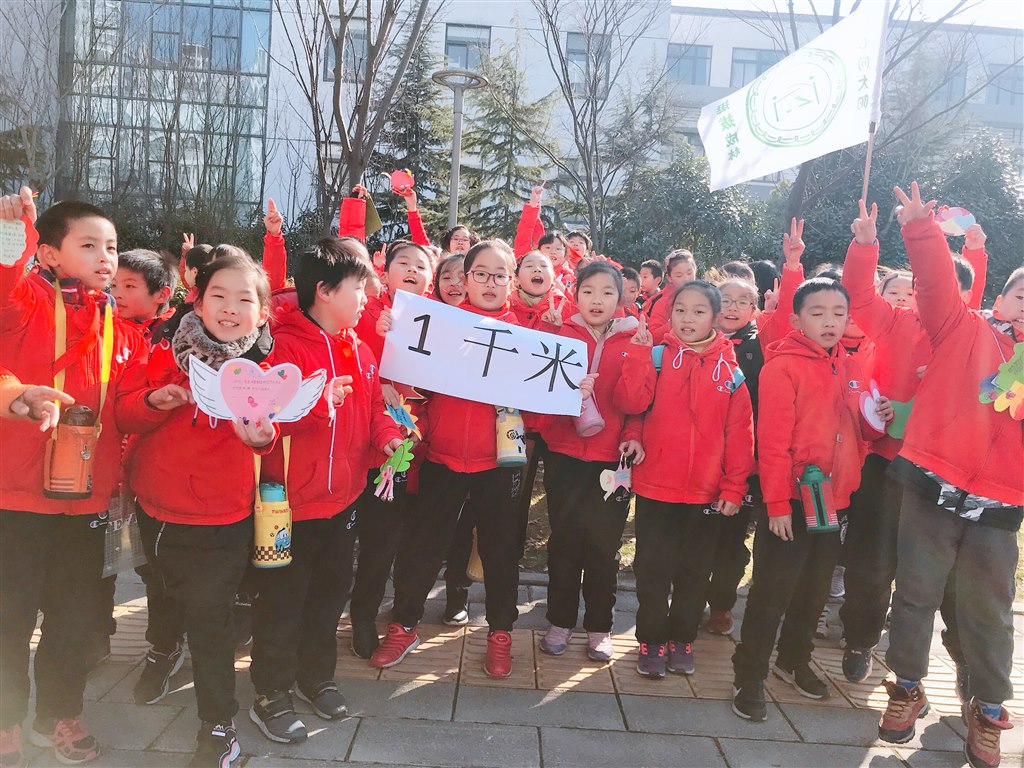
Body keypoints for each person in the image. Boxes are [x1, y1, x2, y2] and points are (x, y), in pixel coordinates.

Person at [0, 189, 148, 767]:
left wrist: (155, 403)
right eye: (88, 245)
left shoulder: (121, 327)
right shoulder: (28, 304)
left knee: (75, 620)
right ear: (50, 254)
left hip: (88, 501)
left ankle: (58, 715)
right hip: (17, 497)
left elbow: (125, 410)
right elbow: (4, 288)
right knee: (9, 617)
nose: (105, 256)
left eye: (111, 247)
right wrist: (12, 235)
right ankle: (7, 720)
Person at [877, 184, 1022, 768]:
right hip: (933, 480)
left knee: (989, 608)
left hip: (1000, 501)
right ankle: (907, 688)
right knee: (915, 592)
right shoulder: (963, 327)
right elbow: (937, 283)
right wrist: (920, 229)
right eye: (1021, 294)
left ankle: (987, 711)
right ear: (1001, 298)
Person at [116, 250, 278, 767]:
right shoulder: (163, 352)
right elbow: (123, 411)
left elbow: (275, 431)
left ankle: (219, 726)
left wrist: (262, 437)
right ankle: (163, 650)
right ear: (198, 302)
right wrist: (152, 403)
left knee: (210, 621)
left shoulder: (262, 374)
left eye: (244, 299)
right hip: (154, 508)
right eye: (218, 296)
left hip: (220, 520)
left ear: (262, 312)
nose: (230, 308)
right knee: (160, 593)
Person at [248, 237, 402, 743]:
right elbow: (261, 419)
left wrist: (388, 437)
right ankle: (270, 693)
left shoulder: (359, 348)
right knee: (281, 602)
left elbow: (374, 409)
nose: (366, 298)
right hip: (287, 507)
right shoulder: (281, 348)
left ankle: (315, 677)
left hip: (343, 503)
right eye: (359, 288)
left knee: (328, 596)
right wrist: (318, 403)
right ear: (324, 290)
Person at [731, 276, 889, 722]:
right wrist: (777, 504)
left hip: (833, 502)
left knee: (815, 590)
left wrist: (875, 423)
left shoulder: (852, 367)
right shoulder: (782, 367)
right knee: (771, 591)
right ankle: (749, 673)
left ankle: (793, 659)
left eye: (839, 313)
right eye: (817, 313)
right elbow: (773, 442)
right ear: (797, 318)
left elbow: (860, 433)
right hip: (791, 501)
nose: (829, 322)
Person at [370, 240, 526, 678]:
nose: (490, 283)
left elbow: (540, 407)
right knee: (421, 547)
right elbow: (408, 387)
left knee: (500, 552)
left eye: (500, 275)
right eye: (481, 274)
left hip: (499, 464)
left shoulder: (528, 340)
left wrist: (575, 392)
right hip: (442, 457)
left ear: (512, 282)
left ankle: (500, 634)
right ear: (464, 279)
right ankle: (404, 625)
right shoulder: (439, 327)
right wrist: (389, 337)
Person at [627, 281, 755, 677]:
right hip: (655, 486)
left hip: (706, 494)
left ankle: (682, 638)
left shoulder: (730, 373)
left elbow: (741, 435)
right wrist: (638, 356)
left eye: (699, 311)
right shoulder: (657, 357)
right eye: (680, 310)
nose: (687, 319)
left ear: (715, 318)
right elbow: (633, 406)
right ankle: (650, 638)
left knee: (695, 571)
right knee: (652, 568)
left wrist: (734, 487)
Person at [533, 262, 650, 662]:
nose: (596, 300)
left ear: (621, 298)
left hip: (612, 462)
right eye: (588, 291)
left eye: (607, 292)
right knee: (564, 542)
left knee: (604, 547)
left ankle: (600, 626)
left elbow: (635, 404)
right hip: (565, 455)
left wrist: (639, 356)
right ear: (575, 294)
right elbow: (540, 396)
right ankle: (560, 621)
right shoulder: (562, 333)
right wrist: (549, 335)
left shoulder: (635, 339)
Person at [348, 240, 434, 659]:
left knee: (382, 545)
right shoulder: (363, 314)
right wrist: (376, 333)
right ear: (384, 273)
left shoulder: (441, 326)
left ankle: (365, 616)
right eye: (404, 263)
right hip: (355, 453)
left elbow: (438, 392)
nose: (413, 270)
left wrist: (416, 430)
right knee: (346, 543)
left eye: (421, 265)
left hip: (400, 456)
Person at [704, 276, 765, 637]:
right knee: (697, 535)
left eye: (743, 302)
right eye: (725, 300)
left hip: (742, 461)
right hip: (700, 459)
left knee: (730, 539)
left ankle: (721, 604)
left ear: (754, 310)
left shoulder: (762, 348)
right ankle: (689, 598)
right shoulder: (694, 339)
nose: (732, 307)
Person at [510, 250, 574, 330]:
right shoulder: (505, 306)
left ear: (553, 278)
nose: (537, 269)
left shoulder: (565, 308)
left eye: (543, 266)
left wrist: (555, 329)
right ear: (517, 279)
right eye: (529, 266)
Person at [644, 249, 697, 339]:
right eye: (679, 275)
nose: (686, 279)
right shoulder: (663, 302)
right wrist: (673, 323)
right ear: (669, 278)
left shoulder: (705, 296)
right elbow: (653, 336)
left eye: (689, 273)